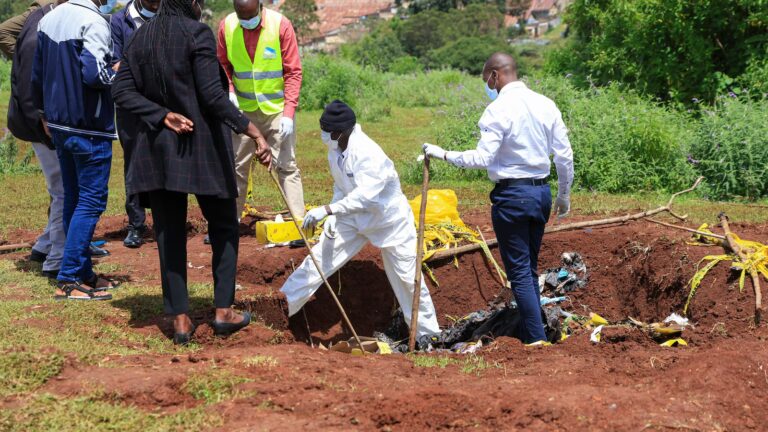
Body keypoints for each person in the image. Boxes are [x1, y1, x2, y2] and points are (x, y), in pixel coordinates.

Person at [112, 0, 272, 345]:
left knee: (168, 233)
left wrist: (159, 114)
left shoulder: (140, 38)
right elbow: (213, 96)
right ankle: (223, 311)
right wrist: (253, 131)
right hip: (202, 149)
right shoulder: (196, 33)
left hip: (159, 152)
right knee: (225, 225)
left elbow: (121, 90)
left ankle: (181, 320)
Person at [424, 53, 574, 345]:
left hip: (512, 197)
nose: (488, 87)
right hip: (541, 193)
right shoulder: (546, 104)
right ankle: (535, 330)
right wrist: (564, 194)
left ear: (495, 75)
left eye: (486, 81)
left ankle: (535, 340)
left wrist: (442, 153)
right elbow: (564, 155)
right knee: (527, 268)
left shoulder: (497, 110)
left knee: (519, 272)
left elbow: (482, 158)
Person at [280, 100, 441, 338]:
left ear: (341, 132)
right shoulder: (335, 149)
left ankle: (428, 335)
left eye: (328, 132)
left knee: (408, 279)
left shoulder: (368, 154)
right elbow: (341, 185)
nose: (324, 136)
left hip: (389, 221)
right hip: (351, 218)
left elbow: (366, 198)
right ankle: (279, 310)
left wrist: (328, 210)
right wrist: (333, 216)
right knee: (316, 263)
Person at [32, 0, 121, 301]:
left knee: (73, 198)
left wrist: (44, 113)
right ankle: (69, 278)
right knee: (91, 202)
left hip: (59, 124)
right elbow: (96, 75)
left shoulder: (50, 19)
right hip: (88, 126)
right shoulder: (94, 21)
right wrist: (120, 71)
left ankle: (82, 271)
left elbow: (37, 74)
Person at [216, 0, 305, 230]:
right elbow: (222, 65)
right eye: (241, 18)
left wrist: (288, 112)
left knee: (286, 166)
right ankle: (229, 223)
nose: (246, 23)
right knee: (237, 166)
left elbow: (293, 72)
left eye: (250, 17)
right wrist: (230, 91)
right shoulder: (227, 26)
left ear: (260, 6)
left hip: (276, 109)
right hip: (242, 111)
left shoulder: (281, 25)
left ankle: (299, 224)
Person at [6, 0, 66, 279]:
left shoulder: (44, 20)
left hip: (37, 123)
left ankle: (44, 246)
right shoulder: (38, 32)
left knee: (60, 188)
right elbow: (32, 91)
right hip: (39, 125)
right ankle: (56, 260)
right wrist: (46, 125)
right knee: (63, 190)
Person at [110, 0, 160, 248]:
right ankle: (136, 225)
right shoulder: (120, 21)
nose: (155, 3)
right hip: (130, 106)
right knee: (133, 163)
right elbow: (116, 64)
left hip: (163, 104)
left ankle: (164, 221)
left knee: (164, 160)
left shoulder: (169, 16)